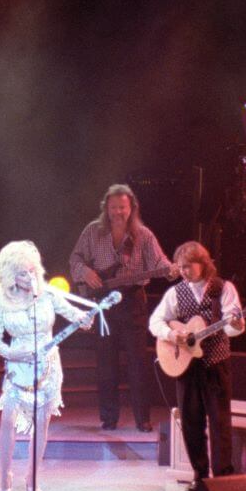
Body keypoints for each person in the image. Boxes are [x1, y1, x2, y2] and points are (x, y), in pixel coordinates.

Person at [0, 241, 91, 491]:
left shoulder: (48, 295)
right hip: (18, 365)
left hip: (47, 366)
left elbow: (73, 313)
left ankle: (33, 479)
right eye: (22, 273)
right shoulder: (2, 302)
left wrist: (85, 318)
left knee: (42, 423)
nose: (29, 277)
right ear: (11, 275)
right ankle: (4, 477)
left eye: (32, 271)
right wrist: (14, 354)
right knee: (8, 419)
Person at [70, 184, 176, 432]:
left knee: (138, 363)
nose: (118, 212)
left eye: (123, 208)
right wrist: (85, 272)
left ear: (132, 208)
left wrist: (171, 269)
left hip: (132, 302)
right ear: (106, 208)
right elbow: (75, 258)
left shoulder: (144, 235)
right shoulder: (92, 232)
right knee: (105, 363)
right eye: (114, 207)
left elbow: (160, 262)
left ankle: (142, 419)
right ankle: (109, 418)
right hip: (103, 302)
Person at [148, 242, 245, 486]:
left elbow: (232, 327)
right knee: (191, 423)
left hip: (215, 365)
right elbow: (155, 321)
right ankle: (200, 477)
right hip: (187, 367)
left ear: (203, 264)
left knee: (220, 422)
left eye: (188, 267)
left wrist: (236, 324)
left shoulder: (223, 288)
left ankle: (223, 479)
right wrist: (172, 335)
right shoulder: (175, 293)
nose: (183, 272)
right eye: (180, 267)